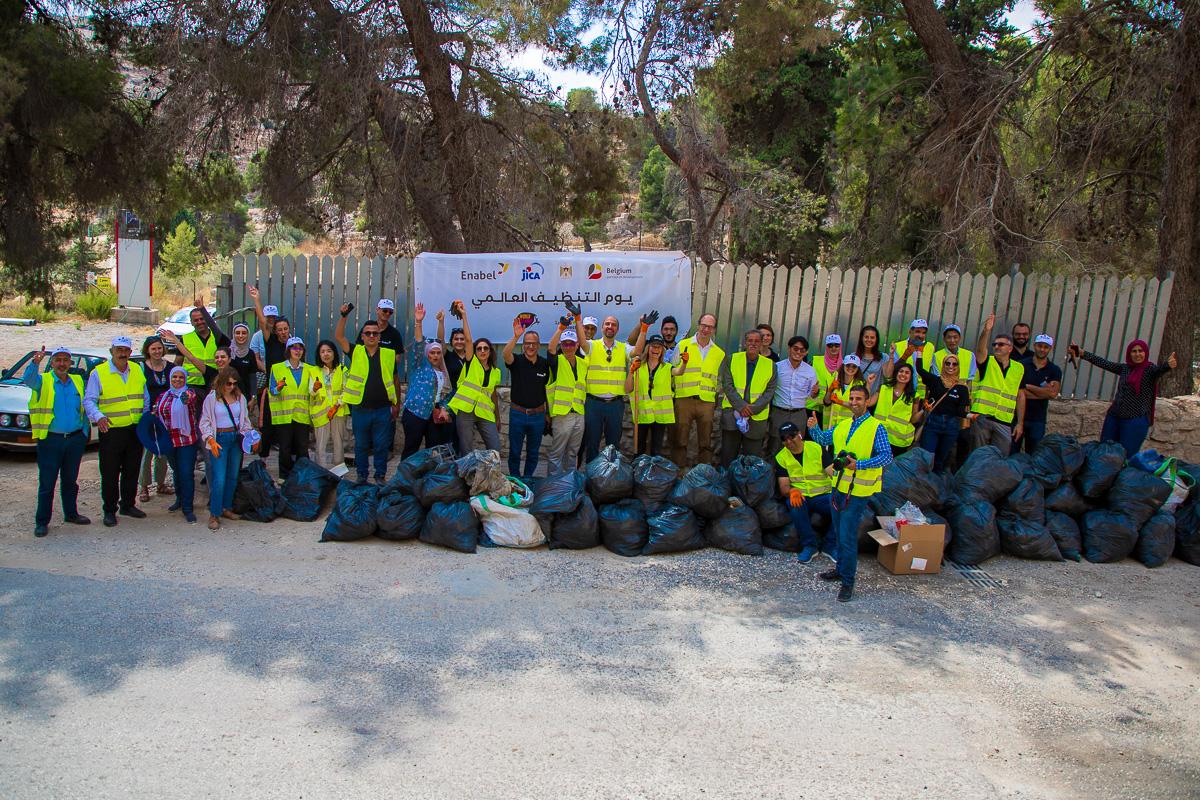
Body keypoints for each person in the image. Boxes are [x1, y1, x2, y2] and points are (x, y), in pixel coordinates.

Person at [807, 385, 893, 603]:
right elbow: (823, 439)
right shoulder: (844, 425)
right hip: (837, 487)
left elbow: (886, 457)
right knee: (837, 532)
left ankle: (848, 582)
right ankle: (840, 570)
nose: (854, 402)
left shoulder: (876, 427)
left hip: (857, 491)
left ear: (866, 402)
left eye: (859, 399)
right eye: (852, 398)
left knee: (846, 536)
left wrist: (860, 465)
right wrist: (813, 428)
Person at [1068, 339, 1176, 457]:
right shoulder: (1125, 368)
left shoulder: (1149, 369)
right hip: (1114, 417)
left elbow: (1158, 371)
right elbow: (1105, 363)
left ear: (1145, 352)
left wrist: (1167, 366)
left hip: (1135, 420)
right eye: (1134, 351)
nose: (1137, 354)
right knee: (1104, 453)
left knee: (1125, 457)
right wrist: (1082, 353)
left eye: (1141, 351)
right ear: (1129, 353)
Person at [24, 346, 91, 537]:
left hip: (74, 439)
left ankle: (71, 514)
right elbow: (28, 380)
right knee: (47, 483)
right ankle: (42, 522)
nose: (62, 364)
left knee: (70, 480)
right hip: (51, 440)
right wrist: (35, 363)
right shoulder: (43, 381)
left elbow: (84, 406)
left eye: (65, 360)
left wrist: (84, 432)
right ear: (52, 363)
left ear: (70, 363)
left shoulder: (77, 381)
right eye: (58, 360)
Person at [84, 336, 149, 527]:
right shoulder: (99, 373)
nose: (122, 353)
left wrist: (145, 419)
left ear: (130, 352)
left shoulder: (137, 370)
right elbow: (89, 400)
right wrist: (98, 417)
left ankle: (128, 504)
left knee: (132, 470)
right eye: (118, 349)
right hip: (111, 431)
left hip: (134, 430)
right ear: (111, 351)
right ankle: (109, 510)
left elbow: (144, 397)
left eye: (126, 350)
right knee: (110, 473)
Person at [336, 305, 401, 483]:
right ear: (363, 337)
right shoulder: (356, 351)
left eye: (375, 333)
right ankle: (362, 476)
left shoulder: (389, 354)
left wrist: (397, 404)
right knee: (362, 445)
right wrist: (343, 316)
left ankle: (380, 476)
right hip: (360, 409)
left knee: (381, 446)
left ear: (379, 336)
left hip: (382, 409)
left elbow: (395, 379)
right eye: (368, 333)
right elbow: (339, 337)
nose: (372, 336)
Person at [582, 311, 648, 461]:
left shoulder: (623, 348)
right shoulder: (592, 345)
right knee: (592, 443)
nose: (610, 326)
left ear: (617, 329)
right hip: (593, 403)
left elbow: (637, 351)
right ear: (602, 328)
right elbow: (582, 341)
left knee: (613, 444)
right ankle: (592, 477)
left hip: (615, 404)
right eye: (607, 324)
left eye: (613, 324)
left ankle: (611, 479)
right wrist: (578, 320)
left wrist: (644, 329)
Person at [199, 365, 257, 530]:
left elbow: (244, 421)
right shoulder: (211, 399)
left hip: (235, 438)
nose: (231, 387)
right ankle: (214, 513)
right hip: (219, 439)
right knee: (219, 479)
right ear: (221, 382)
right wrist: (210, 439)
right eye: (228, 384)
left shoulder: (240, 398)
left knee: (232, 476)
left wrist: (250, 435)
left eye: (234, 384)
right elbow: (205, 422)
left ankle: (226, 507)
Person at [773, 421, 834, 564]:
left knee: (842, 506)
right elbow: (783, 486)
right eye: (784, 439)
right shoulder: (781, 457)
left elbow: (832, 472)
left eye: (792, 436)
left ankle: (830, 545)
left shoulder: (816, 448)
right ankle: (810, 546)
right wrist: (791, 491)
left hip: (823, 495)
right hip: (801, 496)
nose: (789, 441)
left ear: (799, 434)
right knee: (795, 506)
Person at [903, 347, 972, 472]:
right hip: (933, 423)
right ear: (943, 364)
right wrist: (919, 352)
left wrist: (970, 416)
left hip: (951, 426)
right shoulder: (935, 380)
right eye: (947, 363)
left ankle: (934, 487)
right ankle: (921, 483)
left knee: (941, 459)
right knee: (926, 457)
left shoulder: (962, 388)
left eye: (954, 364)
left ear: (958, 366)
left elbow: (960, 411)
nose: (951, 366)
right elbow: (919, 370)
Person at [400, 305, 456, 459]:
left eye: (438, 353)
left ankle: (429, 479)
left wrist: (445, 409)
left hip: (434, 416)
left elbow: (446, 395)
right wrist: (419, 322)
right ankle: (405, 479)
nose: (436, 355)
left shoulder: (442, 372)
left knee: (434, 452)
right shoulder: (419, 365)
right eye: (432, 352)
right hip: (415, 413)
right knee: (411, 449)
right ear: (427, 354)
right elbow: (418, 344)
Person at [446, 302, 502, 454]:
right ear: (475, 351)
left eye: (486, 348)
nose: (482, 351)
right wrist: (464, 315)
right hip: (466, 411)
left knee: (495, 448)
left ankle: (492, 476)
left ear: (490, 351)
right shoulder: (471, 363)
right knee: (466, 449)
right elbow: (469, 341)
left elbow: (493, 395)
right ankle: (467, 477)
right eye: (479, 348)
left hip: (485, 412)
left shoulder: (496, 371)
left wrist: (497, 417)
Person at [670, 313, 724, 467]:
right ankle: (678, 473)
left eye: (710, 327)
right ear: (698, 325)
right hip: (684, 399)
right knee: (680, 439)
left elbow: (719, 377)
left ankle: (703, 474)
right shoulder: (683, 345)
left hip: (706, 402)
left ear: (714, 330)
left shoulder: (719, 353)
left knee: (706, 442)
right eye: (704, 325)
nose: (706, 329)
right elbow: (672, 369)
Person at [718, 329, 778, 465]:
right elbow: (727, 385)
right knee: (728, 456)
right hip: (733, 415)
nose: (753, 344)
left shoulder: (771, 365)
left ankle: (747, 486)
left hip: (756, 418)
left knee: (752, 460)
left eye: (757, 341)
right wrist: (741, 407)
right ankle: (727, 484)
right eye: (750, 340)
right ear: (745, 343)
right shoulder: (732, 359)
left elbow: (770, 391)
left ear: (762, 343)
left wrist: (753, 409)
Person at [970, 313, 1026, 455]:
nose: (996, 347)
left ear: (1010, 348)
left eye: (1001, 344)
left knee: (1000, 458)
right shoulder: (987, 362)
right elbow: (981, 350)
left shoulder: (1018, 368)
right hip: (982, 417)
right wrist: (986, 331)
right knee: (978, 455)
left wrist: (1020, 423)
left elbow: (1020, 395)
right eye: (994, 344)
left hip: (1004, 421)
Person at [503, 316, 552, 478]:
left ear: (538, 346)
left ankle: (528, 479)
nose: (530, 346)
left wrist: (547, 414)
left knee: (533, 452)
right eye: (527, 343)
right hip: (517, 414)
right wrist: (516, 336)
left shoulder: (544, 364)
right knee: (515, 452)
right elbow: (505, 354)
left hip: (537, 416)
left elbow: (547, 390)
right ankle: (515, 480)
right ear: (523, 345)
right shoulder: (516, 360)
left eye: (533, 343)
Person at [356, 298, 406, 454]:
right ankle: (369, 450)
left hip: (387, 379)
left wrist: (384, 356)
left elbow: (398, 358)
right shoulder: (366, 329)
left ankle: (387, 451)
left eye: (390, 312)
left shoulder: (394, 334)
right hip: (367, 379)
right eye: (384, 310)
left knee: (387, 419)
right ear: (377, 310)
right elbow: (358, 352)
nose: (387, 314)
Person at [269, 337, 321, 480]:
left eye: (300, 348)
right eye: (294, 348)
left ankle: (302, 476)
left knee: (302, 448)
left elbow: (312, 391)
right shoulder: (277, 368)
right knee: (284, 448)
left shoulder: (309, 369)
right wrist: (278, 388)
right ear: (288, 350)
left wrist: (316, 389)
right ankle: (284, 476)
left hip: (302, 415)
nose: (297, 351)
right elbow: (272, 391)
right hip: (284, 415)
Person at [155, 367, 201, 524]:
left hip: (186, 440)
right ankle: (179, 500)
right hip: (169, 441)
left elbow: (188, 399)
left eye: (181, 377)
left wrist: (184, 397)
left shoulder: (189, 393)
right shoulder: (163, 396)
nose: (178, 380)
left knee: (186, 473)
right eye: (174, 377)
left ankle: (188, 508)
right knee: (176, 471)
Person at [767, 335, 819, 457]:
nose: (798, 352)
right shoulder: (777, 367)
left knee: (797, 447)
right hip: (779, 412)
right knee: (775, 446)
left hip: (799, 414)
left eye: (802, 350)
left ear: (806, 352)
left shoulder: (810, 371)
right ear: (789, 349)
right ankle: (774, 474)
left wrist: (815, 393)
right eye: (795, 348)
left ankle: (793, 475)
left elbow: (812, 396)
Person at [546, 325, 588, 474]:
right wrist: (560, 328)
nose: (568, 347)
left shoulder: (584, 363)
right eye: (565, 343)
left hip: (579, 413)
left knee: (573, 453)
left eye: (571, 343)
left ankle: (569, 483)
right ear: (561, 345)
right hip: (562, 415)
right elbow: (550, 349)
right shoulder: (557, 361)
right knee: (557, 453)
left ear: (577, 345)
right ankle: (554, 484)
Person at [626, 334, 675, 457]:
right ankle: (638, 470)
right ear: (648, 348)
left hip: (659, 414)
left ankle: (653, 472)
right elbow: (627, 389)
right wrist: (631, 372)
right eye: (653, 346)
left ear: (662, 350)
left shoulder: (667, 367)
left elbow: (679, 372)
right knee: (639, 446)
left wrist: (684, 363)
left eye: (659, 347)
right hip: (642, 412)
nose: (656, 350)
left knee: (656, 448)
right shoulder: (638, 366)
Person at [138, 335, 172, 502]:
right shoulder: (141, 368)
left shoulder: (170, 367)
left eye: (159, 348)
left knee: (163, 450)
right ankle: (144, 486)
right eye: (153, 349)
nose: (157, 351)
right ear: (147, 351)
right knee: (147, 451)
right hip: (148, 416)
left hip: (165, 416)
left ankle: (161, 483)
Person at [1017, 334, 1063, 453]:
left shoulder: (1054, 370)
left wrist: (1027, 386)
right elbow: (1016, 391)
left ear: (1050, 349)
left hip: (1038, 419)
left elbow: (1052, 394)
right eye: (1039, 346)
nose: (1042, 349)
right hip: (1017, 417)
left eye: (1045, 347)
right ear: (1034, 346)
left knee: (1034, 453)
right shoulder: (1021, 365)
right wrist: (1042, 392)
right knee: (1012, 451)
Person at [177, 303, 230, 402]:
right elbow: (177, 364)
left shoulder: (217, 338)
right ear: (191, 322)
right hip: (192, 385)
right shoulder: (185, 339)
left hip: (213, 383)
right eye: (196, 320)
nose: (200, 322)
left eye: (202, 319)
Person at [310, 339, 350, 469]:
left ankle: (339, 472)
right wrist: (315, 388)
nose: (326, 354)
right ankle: (321, 471)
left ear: (334, 353)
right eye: (322, 352)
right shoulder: (314, 371)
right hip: (321, 413)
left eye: (329, 351)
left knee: (338, 443)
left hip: (337, 411)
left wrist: (337, 405)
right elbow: (311, 392)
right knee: (321, 444)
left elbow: (347, 390)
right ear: (319, 355)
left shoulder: (342, 370)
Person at [874, 361, 919, 454]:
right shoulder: (883, 388)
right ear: (896, 373)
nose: (903, 374)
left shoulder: (914, 396)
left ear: (911, 377)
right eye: (901, 371)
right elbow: (869, 403)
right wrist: (869, 385)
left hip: (898, 440)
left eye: (907, 373)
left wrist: (924, 410)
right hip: (879, 435)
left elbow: (914, 420)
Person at [823, 354, 870, 428]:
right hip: (830, 424)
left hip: (847, 425)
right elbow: (826, 402)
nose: (850, 368)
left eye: (854, 366)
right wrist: (830, 390)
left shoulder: (860, 385)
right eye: (848, 365)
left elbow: (858, 407)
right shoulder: (833, 380)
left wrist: (839, 402)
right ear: (843, 366)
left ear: (858, 368)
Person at [891, 319, 934, 399]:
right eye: (917, 331)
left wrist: (927, 396)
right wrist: (905, 356)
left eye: (923, 333)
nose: (920, 335)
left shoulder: (930, 347)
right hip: (902, 393)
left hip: (920, 396)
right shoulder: (898, 346)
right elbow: (892, 370)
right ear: (910, 331)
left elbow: (930, 372)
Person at [808, 334, 842, 425]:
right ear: (826, 347)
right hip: (812, 408)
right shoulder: (815, 361)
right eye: (830, 345)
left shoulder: (843, 365)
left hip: (831, 410)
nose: (833, 348)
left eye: (836, 345)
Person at [228, 323, 259, 400]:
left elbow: (252, 377)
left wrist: (253, 396)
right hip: (228, 393)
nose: (241, 336)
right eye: (237, 333)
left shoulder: (251, 353)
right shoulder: (228, 352)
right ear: (233, 334)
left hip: (245, 395)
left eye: (244, 333)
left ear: (248, 335)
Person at [854, 326, 885, 395]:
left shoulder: (883, 357)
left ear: (876, 339)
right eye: (866, 337)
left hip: (874, 399)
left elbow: (888, 376)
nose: (869, 340)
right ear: (861, 338)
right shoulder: (854, 357)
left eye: (872, 337)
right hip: (855, 398)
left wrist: (891, 356)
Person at [445, 326, 469, 390]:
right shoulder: (447, 355)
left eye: (462, 339)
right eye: (456, 339)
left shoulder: (471, 357)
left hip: (469, 395)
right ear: (451, 341)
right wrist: (441, 322)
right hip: (453, 395)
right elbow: (440, 339)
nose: (459, 341)